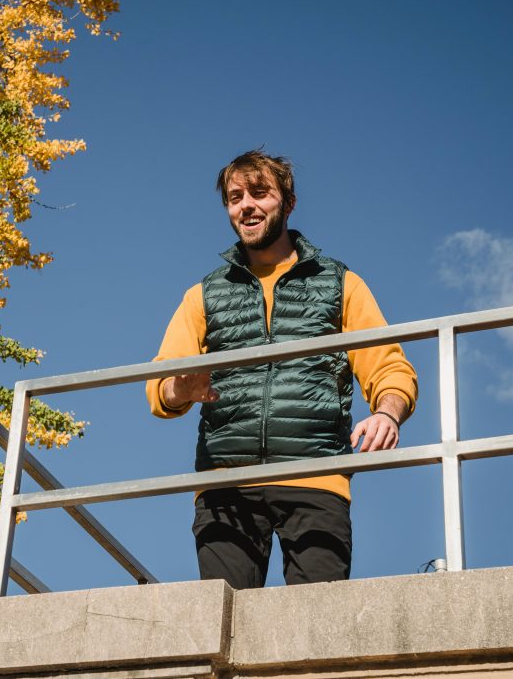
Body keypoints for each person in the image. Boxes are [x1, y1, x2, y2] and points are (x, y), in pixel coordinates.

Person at [146, 149, 418, 589]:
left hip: (316, 477)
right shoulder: (203, 294)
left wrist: (388, 412)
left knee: (318, 618)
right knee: (222, 618)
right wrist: (181, 390)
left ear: (288, 203)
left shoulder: (339, 282)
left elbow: (388, 365)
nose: (246, 206)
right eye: (235, 197)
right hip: (226, 483)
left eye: (259, 193)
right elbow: (161, 385)